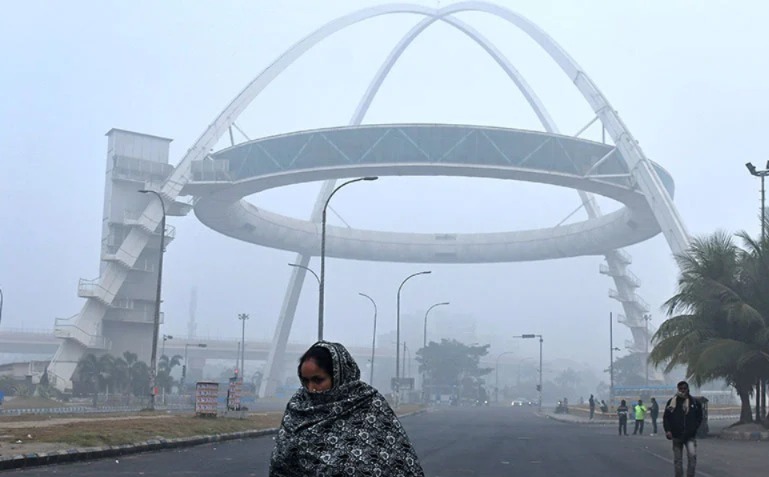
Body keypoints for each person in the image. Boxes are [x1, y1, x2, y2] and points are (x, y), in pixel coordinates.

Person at [269, 341, 425, 476]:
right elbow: (281, 466)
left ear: (339, 376)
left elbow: (397, 462)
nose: (311, 388)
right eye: (305, 381)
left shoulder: (369, 404)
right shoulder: (298, 408)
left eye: (318, 380)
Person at [663, 381, 703, 477]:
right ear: (678, 389)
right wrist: (668, 430)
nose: (683, 391)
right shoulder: (672, 402)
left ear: (688, 389)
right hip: (676, 436)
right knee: (678, 460)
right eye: (680, 389)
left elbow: (699, 417)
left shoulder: (694, 402)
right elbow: (666, 417)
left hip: (690, 436)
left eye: (684, 388)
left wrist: (694, 428)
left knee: (692, 458)